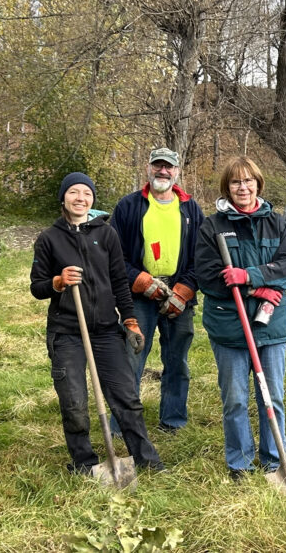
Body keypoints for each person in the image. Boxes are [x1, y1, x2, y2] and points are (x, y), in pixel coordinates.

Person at [30, 173, 163, 474]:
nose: (80, 198)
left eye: (86, 193)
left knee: (127, 398)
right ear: (63, 198)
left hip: (105, 331)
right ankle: (84, 463)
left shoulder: (106, 234)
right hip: (67, 333)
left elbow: (119, 281)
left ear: (92, 199)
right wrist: (58, 281)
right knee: (75, 404)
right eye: (74, 192)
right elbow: (37, 287)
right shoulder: (49, 239)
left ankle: (146, 459)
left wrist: (129, 320)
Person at [195, 157, 286, 480]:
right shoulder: (213, 227)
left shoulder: (277, 223)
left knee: (274, 396)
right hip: (229, 326)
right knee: (236, 399)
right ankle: (239, 462)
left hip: (270, 328)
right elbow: (209, 277)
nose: (244, 187)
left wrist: (250, 276)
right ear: (227, 187)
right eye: (236, 182)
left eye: (249, 181)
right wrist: (258, 290)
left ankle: (273, 461)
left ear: (258, 184)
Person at [110, 147, 204, 434]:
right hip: (139, 295)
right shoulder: (128, 206)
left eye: (169, 167)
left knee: (177, 361)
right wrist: (140, 281)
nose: (163, 171)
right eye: (157, 166)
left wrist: (185, 290)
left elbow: (202, 256)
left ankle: (173, 420)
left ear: (177, 172)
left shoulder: (190, 208)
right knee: (131, 357)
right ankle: (123, 424)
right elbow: (114, 257)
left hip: (178, 295)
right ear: (147, 168)